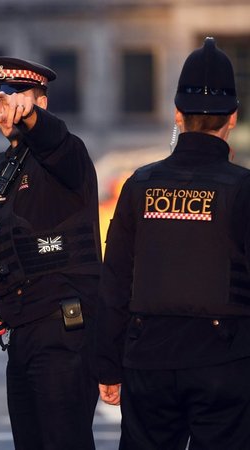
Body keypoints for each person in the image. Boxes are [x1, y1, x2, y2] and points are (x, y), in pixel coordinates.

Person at [97, 37, 250, 449]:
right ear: (232, 118)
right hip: (225, 361)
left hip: (149, 358)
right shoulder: (243, 189)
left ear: (177, 114)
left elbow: (114, 280)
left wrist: (108, 365)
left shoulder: (140, 185)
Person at [0, 57, 101, 450]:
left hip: (63, 330)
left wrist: (31, 119)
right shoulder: (6, 169)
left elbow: (55, 139)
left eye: (13, 100)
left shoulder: (63, 155)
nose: (3, 110)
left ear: (39, 105)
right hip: (23, 328)